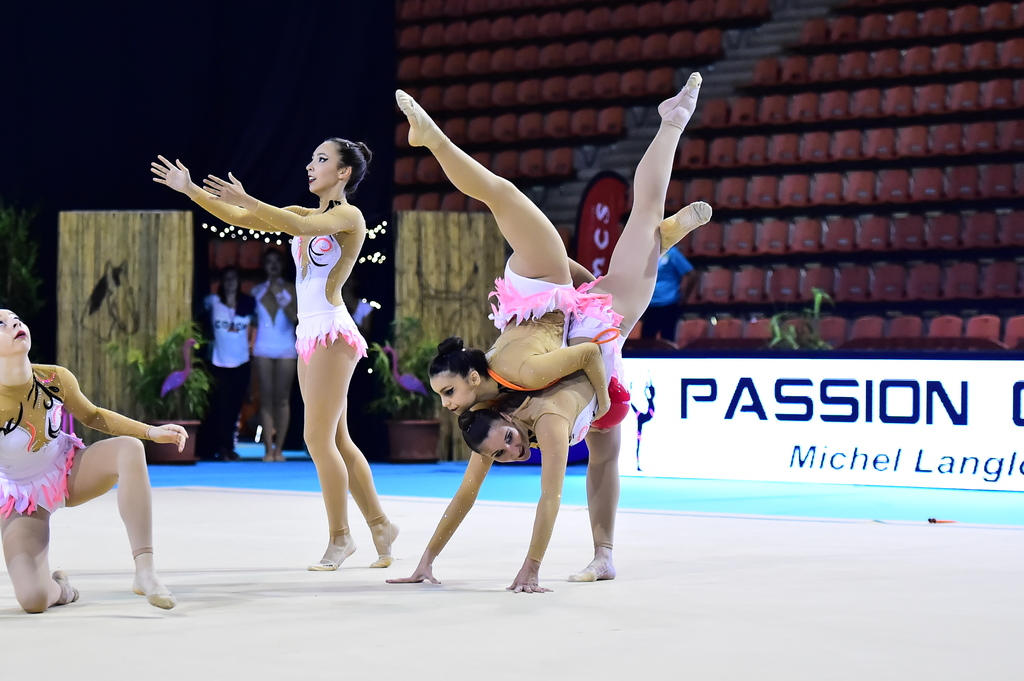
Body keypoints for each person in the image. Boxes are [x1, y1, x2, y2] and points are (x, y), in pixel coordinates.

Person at [389, 73, 710, 592]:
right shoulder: (491, 419)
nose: (447, 405)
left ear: (472, 377)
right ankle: (670, 142)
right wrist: (425, 561)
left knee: (508, 197)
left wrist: (602, 398)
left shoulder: (514, 383)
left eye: (448, 392)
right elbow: (467, 494)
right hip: (591, 318)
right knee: (642, 221)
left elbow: (580, 357)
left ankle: (434, 138)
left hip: (560, 307)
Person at [151, 138, 398, 570]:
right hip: (309, 333)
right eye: (312, 157)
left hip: (331, 330)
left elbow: (293, 224)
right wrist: (190, 190)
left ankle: (341, 537)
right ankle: (381, 525)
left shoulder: (349, 216)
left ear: (343, 172)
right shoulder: (306, 213)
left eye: (321, 159)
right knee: (338, 439)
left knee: (316, 439)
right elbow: (239, 217)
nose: (310, 165)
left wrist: (250, 199)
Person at [0, 309, 183, 612]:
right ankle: (62, 590)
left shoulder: (54, 378)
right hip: (21, 498)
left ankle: (145, 571)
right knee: (33, 600)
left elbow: (94, 416)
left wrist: (150, 431)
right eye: (2, 324)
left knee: (130, 449)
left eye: (15, 319)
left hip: (67, 471)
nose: (14, 324)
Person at [200, 267, 256, 461]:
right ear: (221, 282)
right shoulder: (212, 302)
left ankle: (230, 446)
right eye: (227, 278)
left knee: (234, 408)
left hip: (241, 362)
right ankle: (219, 447)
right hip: (219, 362)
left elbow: (255, 327)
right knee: (220, 408)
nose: (231, 282)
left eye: (234, 278)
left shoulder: (247, 303)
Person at [250, 248, 298, 462]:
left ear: (283, 264)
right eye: (269, 261)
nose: (273, 265)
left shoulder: (291, 289)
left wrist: (281, 295)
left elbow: (295, 317)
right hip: (263, 347)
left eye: (277, 261)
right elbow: (251, 321)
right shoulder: (256, 290)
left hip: (286, 348)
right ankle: (268, 450)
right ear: (264, 265)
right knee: (266, 399)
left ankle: (280, 449)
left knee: (282, 399)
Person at [639, 245, 698, 342]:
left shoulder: (672, 252)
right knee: (646, 341)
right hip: (649, 304)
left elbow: (692, 274)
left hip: (669, 303)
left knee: (667, 340)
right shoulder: (645, 252)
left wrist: (685, 296)